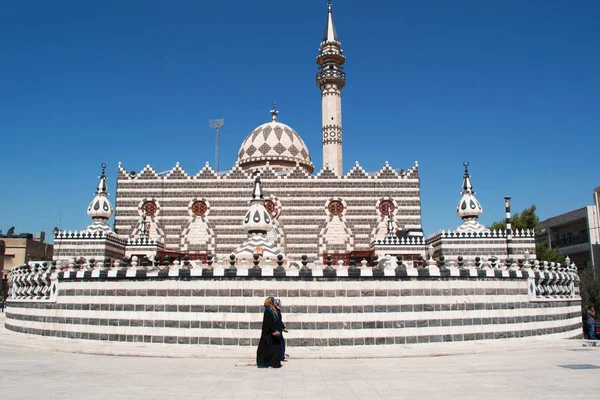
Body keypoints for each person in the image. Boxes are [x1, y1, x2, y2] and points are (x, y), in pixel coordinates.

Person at [256, 296, 282, 368]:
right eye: (273, 301)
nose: (274, 302)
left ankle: (273, 363)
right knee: (265, 348)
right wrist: (273, 331)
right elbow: (268, 323)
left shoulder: (273, 310)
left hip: (272, 332)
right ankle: (263, 363)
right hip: (267, 333)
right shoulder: (268, 311)